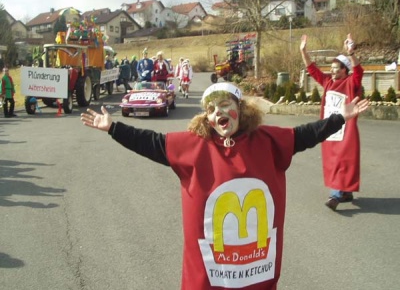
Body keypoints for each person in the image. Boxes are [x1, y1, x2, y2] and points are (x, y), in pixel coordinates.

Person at [81, 82, 369, 290]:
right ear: (206, 117)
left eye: (224, 106)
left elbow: (305, 134)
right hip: (211, 269)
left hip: (254, 264)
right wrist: (113, 128)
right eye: (211, 109)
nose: (218, 113)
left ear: (240, 110)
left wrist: (339, 118)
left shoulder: (266, 141)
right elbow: (152, 143)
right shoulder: (194, 146)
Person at [300, 33, 364, 211]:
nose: (333, 71)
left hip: (347, 130)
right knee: (333, 161)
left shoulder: (352, 83)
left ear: (345, 70)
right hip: (330, 130)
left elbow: (359, 72)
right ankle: (345, 192)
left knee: (343, 160)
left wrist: (350, 53)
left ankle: (335, 196)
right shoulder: (327, 82)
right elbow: (312, 69)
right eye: (332, 68)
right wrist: (303, 51)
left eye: (338, 68)